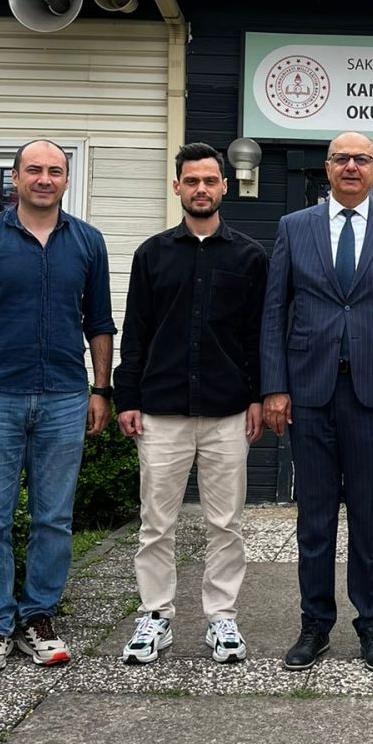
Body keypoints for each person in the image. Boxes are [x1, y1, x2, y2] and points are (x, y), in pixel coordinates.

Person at [0, 139, 115, 673]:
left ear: (66, 180)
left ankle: (39, 617)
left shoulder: (87, 241)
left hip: (64, 397)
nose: (44, 179)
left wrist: (101, 389)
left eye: (55, 171)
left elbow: (99, 323)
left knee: (54, 519)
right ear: (14, 178)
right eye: (34, 170)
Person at [261, 132, 373, 672]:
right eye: (341, 159)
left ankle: (371, 622)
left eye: (361, 159)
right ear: (327, 168)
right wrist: (275, 387)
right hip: (309, 394)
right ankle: (315, 623)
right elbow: (275, 311)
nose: (351, 166)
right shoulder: (294, 227)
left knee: (371, 515)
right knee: (314, 516)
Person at [115, 144, 268, 666]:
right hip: (161, 412)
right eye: (192, 180)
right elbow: (135, 332)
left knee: (226, 523)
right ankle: (155, 616)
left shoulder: (250, 257)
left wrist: (258, 396)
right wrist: (127, 397)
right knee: (156, 523)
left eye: (210, 180)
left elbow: (257, 335)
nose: (201, 189)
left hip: (228, 412)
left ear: (224, 186)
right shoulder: (151, 255)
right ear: (177, 186)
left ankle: (221, 616)